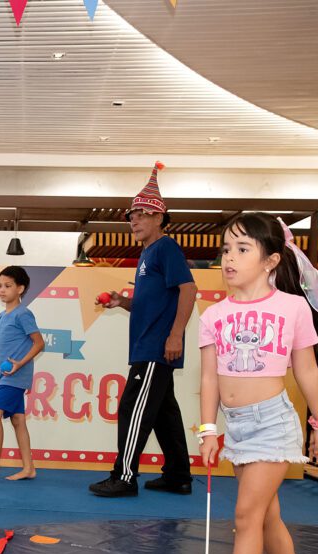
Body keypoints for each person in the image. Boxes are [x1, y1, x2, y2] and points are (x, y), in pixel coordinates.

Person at [197, 212, 318, 554]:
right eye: (226, 249)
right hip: (237, 426)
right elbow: (209, 379)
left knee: (246, 517)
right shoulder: (213, 315)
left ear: (271, 261)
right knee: (267, 516)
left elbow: (307, 369)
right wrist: (209, 430)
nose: (229, 258)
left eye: (243, 249)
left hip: (273, 423)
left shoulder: (292, 307)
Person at [91, 162, 197, 497]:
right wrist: (123, 302)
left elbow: (189, 289)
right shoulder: (147, 254)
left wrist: (175, 335)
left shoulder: (166, 248)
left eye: (141, 215)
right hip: (148, 345)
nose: (133, 221)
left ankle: (124, 477)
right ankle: (178, 475)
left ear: (159, 218)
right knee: (164, 411)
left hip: (155, 347)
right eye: (131, 216)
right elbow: (150, 303)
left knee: (132, 408)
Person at [0, 265, 45, 480]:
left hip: (16, 377)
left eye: (8, 286)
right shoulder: (2, 316)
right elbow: (1, 350)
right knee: (18, 420)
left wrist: (19, 364)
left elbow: (39, 343)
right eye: (0, 286)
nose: (2, 290)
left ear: (20, 289)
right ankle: (29, 468)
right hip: (6, 376)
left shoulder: (23, 314)